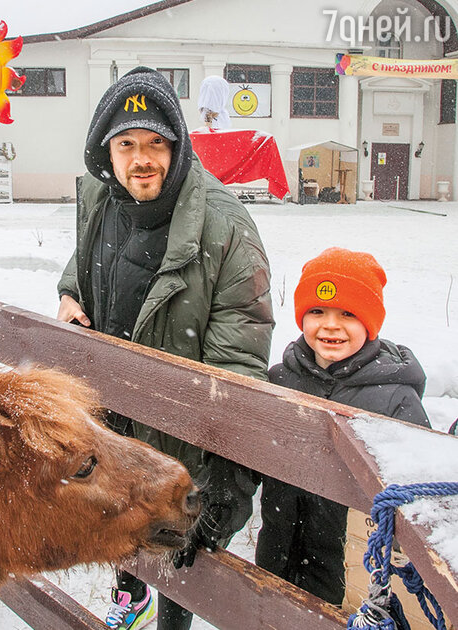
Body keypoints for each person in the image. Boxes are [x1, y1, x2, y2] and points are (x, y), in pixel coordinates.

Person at [57, 66, 274, 630]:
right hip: (115, 416)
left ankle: (173, 616)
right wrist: (67, 293)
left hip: (184, 435)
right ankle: (130, 597)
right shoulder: (99, 194)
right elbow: (83, 259)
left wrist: (220, 484)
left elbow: (238, 364)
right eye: (127, 144)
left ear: (177, 148)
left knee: (180, 555)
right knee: (120, 520)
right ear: (107, 151)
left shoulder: (224, 227)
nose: (141, 158)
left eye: (156, 142)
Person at [255, 247, 431, 606]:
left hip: (352, 571)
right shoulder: (281, 379)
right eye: (317, 311)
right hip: (279, 552)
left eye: (348, 313)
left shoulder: (395, 398)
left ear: (370, 322)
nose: (330, 325)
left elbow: (418, 495)